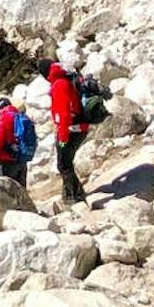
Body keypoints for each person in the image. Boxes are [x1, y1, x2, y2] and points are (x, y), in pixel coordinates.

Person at [41, 59, 92, 203]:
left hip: (70, 130)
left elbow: (63, 114)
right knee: (66, 163)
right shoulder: (66, 78)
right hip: (80, 127)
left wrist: (62, 137)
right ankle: (72, 194)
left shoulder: (59, 85)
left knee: (63, 164)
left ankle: (74, 197)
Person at [0, 97, 35, 188]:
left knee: (5, 193)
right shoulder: (21, 117)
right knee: (21, 191)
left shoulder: (3, 118)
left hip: (7, 162)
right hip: (22, 160)